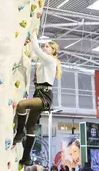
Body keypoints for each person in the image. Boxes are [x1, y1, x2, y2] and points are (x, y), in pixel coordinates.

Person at [13, 28, 62, 166]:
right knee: (31, 126)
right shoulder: (43, 62)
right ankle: (26, 158)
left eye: (47, 46)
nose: (44, 47)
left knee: (22, 105)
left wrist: (33, 34)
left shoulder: (51, 61)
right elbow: (33, 54)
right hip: (39, 93)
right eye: (45, 45)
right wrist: (26, 43)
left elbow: (36, 49)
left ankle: (19, 132)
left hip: (45, 96)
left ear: (53, 51)